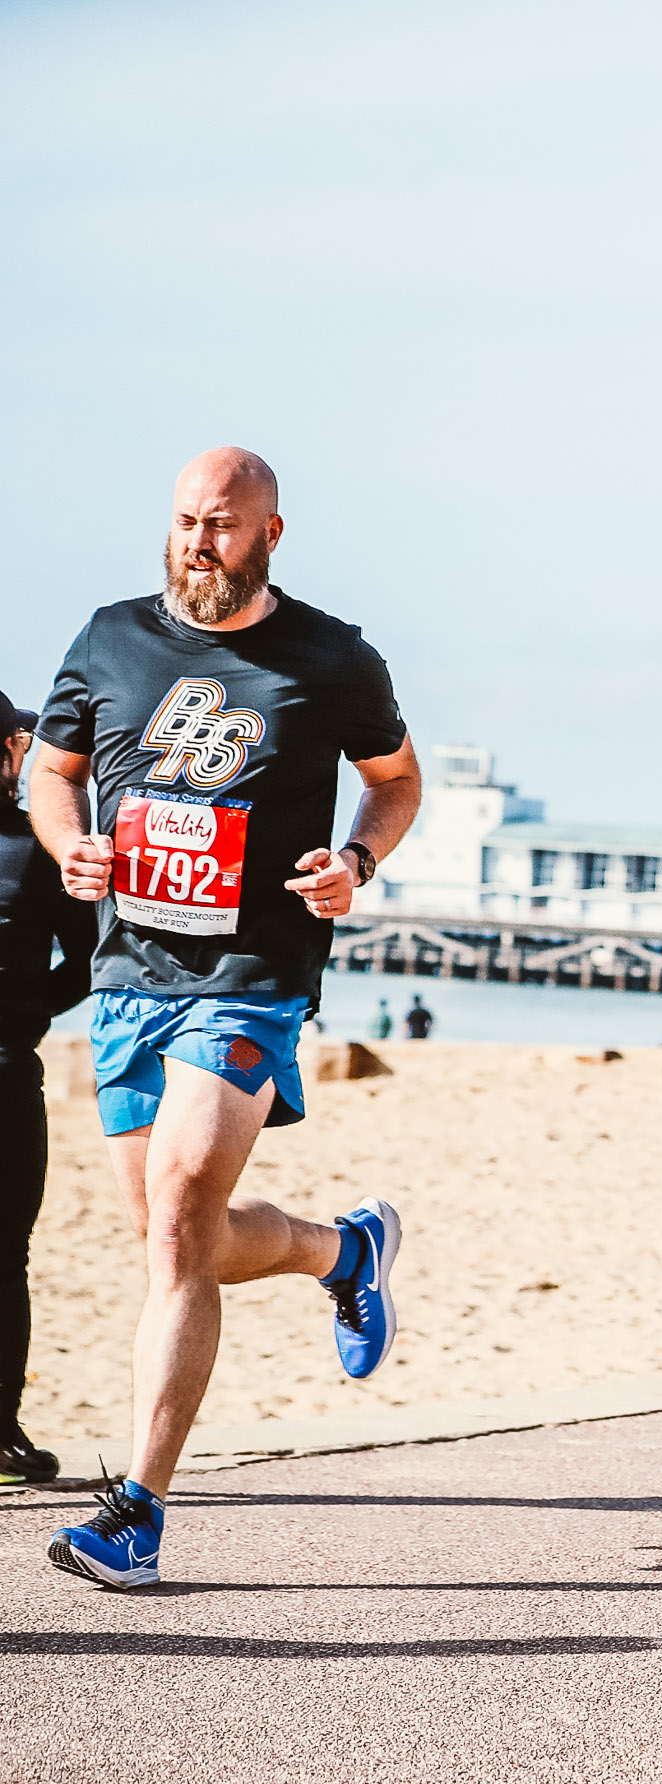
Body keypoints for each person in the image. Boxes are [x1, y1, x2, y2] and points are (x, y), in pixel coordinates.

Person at [29, 447, 418, 1588]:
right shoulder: (108, 637)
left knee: (182, 1208)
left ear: (271, 534)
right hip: (129, 973)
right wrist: (70, 845)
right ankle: (345, 1248)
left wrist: (356, 858)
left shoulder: (332, 657)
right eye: (188, 521)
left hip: (252, 969)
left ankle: (138, 1509)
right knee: (175, 1232)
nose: (200, 541)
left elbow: (396, 780)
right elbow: (50, 776)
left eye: (224, 525)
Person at [0, 689, 95, 1484]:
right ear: (11, 752)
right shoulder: (41, 848)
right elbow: (91, 959)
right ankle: (0, 1433)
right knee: (5, 1255)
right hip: (5, 1072)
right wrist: (29, 1009)